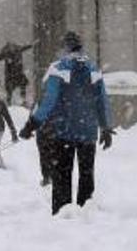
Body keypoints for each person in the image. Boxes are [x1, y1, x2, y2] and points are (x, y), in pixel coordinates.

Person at [19, 32, 114, 214]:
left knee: (62, 175)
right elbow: (102, 101)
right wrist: (106, 127)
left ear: (66, 47)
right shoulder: (94, 69)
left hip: (63, 132)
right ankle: (86, 212)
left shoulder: (58, 68)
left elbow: (49, 101)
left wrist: (33, 124)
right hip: (87, 133)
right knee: (87, 175)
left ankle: (63, 214)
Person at [0, 41, 35, 105]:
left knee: (21, 85)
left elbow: (26, 47)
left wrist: (32, 45)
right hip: (11, 74)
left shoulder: (17, 49)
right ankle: (10, 101)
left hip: (17, 73)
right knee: (11, 88)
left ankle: (22, 100)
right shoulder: (6, 52)